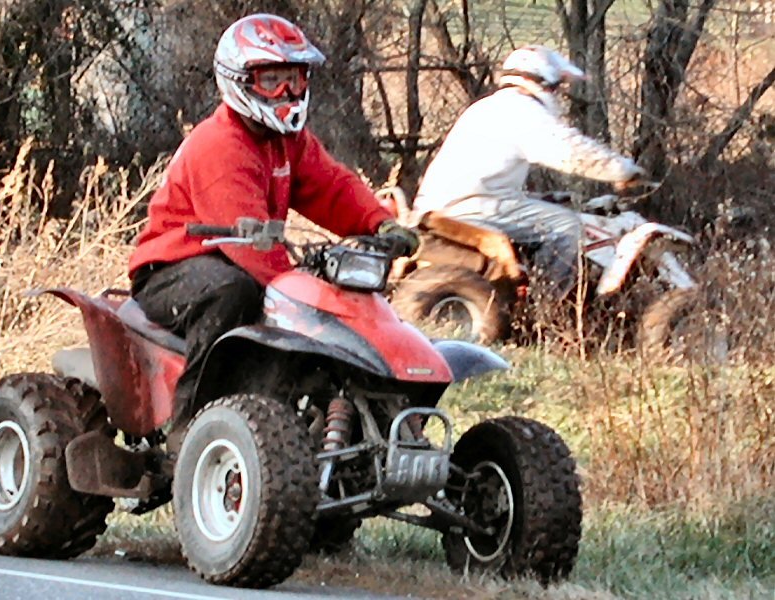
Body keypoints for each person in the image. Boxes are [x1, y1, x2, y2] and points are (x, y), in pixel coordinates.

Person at [128, 13, 418, 424]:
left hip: (238, 259)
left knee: (341, 295)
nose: (286, 92)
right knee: (236, 292)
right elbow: (247, 244)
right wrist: (300, 286)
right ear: (239, 81)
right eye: (271, 81)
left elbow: (331, 187)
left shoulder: (289, 141)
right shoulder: (219, 144)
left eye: (295, 79)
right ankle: (191, 424)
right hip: (172, 268)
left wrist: (379, 222)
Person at [413, 44, 644, 297]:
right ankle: (550, 305)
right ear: (544, 83)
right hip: (473, 207)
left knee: (551, 211)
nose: (557, 94)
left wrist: (544, 198)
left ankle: (526, 286)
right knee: (566, 225)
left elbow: (488, 179)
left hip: (447, 205)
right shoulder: (522, 110)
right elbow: (571, 152)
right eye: (556, 88)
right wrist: (623, 170)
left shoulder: (486, 107)